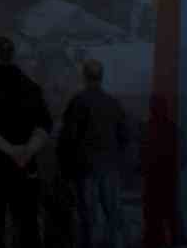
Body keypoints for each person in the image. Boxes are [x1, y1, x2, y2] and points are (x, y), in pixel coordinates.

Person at [0, 40, 53, 248]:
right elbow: (45, 124)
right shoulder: (31, 86)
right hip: (26, 167)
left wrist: (10, 150)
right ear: (12, 55)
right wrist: (27, 150)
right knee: (27, 224)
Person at [55, 59, 126, 248]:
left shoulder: (78, 102)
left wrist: (64, 170)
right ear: (101, 77)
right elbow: (124, 136)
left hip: (85, 169)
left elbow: (68, 138)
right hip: (110, 167)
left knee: (89, 219)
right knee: (113, 216)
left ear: (84, 76)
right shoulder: (113, 103)